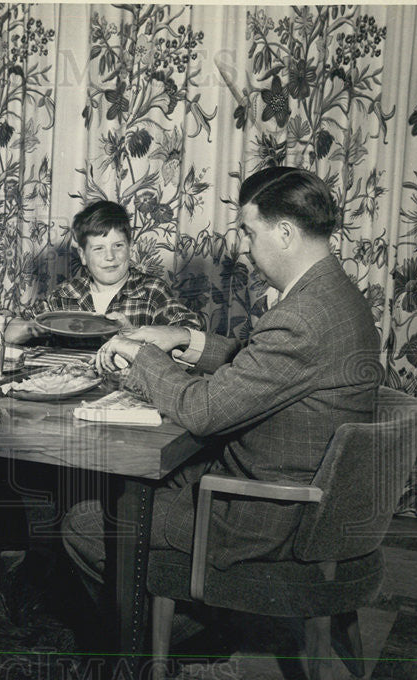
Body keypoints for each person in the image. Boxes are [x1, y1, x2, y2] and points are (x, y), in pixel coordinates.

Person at [62, 166, 382, 600]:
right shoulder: (334, 294)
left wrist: (142, 354)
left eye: (249, 233)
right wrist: (182, 338)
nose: (245, 248)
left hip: (262, 514)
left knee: (83, 522)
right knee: (128, 485)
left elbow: (203, 410)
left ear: (285, 233)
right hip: (286, 485)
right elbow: (256, 362)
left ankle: (154, 644)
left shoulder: (301, 317)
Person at [3, 200, 202, 345]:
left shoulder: (151, 291)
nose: (110, 256)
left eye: (118, 246)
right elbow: (11, 332)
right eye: (98, 249)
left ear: (131, 249)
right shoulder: (65, 294)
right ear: (82, 255)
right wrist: (36, 327)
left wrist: (134, 333)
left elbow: (192, 332)